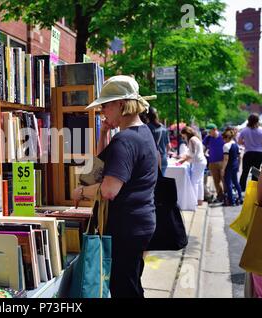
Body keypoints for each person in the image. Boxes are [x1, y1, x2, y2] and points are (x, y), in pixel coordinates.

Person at [72, 75, 158, 298]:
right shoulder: (141, 133)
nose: (103, 111)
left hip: (126, 226)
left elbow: (108, 190)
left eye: (105, 105)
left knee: (124, 289)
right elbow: (96, 171)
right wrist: (103, 133)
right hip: (139, 223)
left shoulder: (125, 140)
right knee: (131, 284)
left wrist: (81, 193)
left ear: (120, 104)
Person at [178, 126, 207, 206]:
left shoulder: (191, 140)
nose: (183, 137)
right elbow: (192, 153)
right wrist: (184, 158)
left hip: (198, 162)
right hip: (201, 161)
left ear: (186, 133)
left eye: (183, 135)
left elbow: (192, 154)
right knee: (199, 181)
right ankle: (199, 200)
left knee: (194, 181)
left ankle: (194, 201)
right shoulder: (196, 138)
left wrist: (182, 160)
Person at [238, 113, 262, 191]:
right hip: (259, 153)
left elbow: (239, 141)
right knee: (255, 171)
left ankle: (242, 189)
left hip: (248, 152)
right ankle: (254, 189)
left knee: (245, 171)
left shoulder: (244, 130)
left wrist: (246, 143)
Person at [203, 123, 225, 203]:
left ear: (215, 129)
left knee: (224, 179)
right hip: (212, 162)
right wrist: (203, 154)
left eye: (210, 131)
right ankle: (220, 195)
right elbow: (203, 147)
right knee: (216, 180)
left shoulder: (223, 137)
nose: (208, 133)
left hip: (223, 162)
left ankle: (226, 195)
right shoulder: (208, 138)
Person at [147, 107, 171, 175]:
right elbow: (169, 146)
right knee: (161, 181)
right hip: (163, 159)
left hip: (152, 160)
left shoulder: (147, 128)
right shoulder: (163, 128)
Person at [221, 128, 242, 206]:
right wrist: (238, 166)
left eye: (223, 138)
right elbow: (239, 157)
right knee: (236, 182)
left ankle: (231, 201)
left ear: (226, 138)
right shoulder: (236, 145)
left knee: (228, 183)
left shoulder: (226, 146)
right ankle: (240, 197)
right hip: (235, 165)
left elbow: (226, 159)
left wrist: (223, 169)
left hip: (229, 166)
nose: (223, 140)